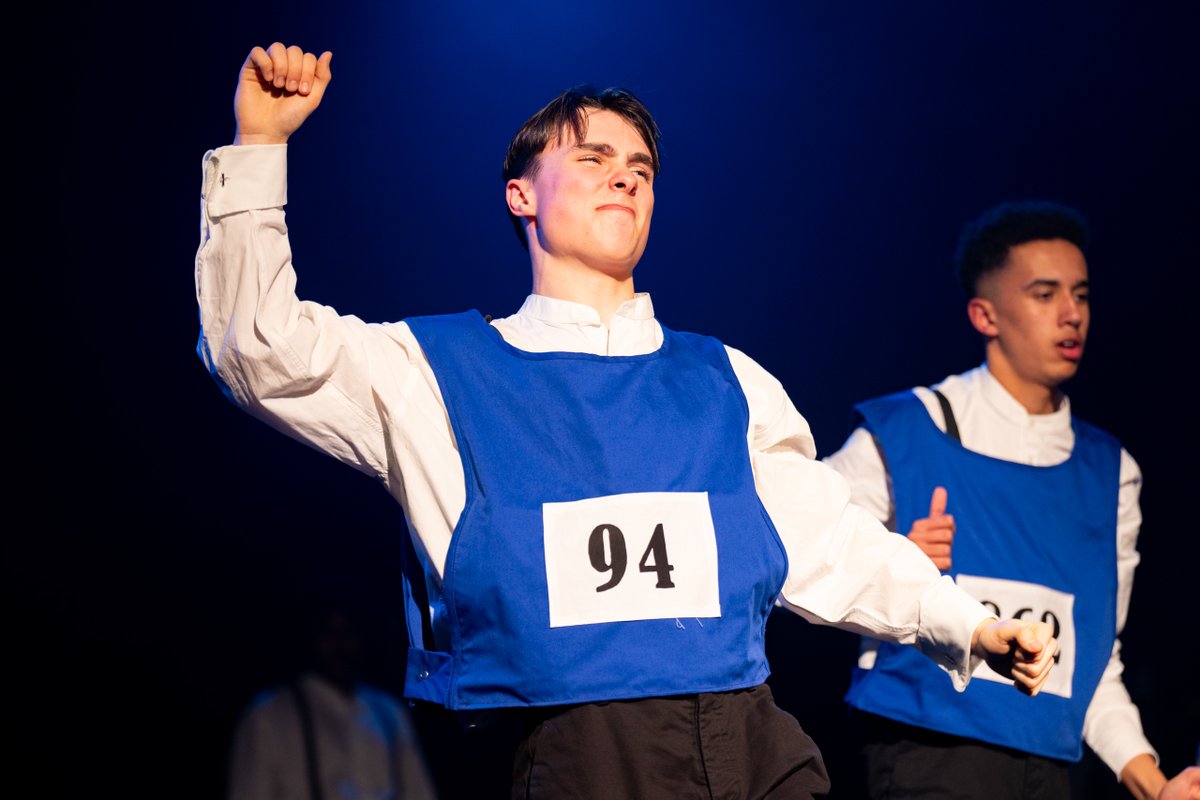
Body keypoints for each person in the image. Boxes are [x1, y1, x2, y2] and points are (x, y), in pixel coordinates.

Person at [196, 41, 1060, 799]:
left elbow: (828, 538)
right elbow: (259, 348)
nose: (626, 175)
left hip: (754, 740)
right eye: (594, 158)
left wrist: (968, 625)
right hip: (581, 752)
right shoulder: (437, 373)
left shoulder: (726, 379)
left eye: (641, 168)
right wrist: (260, 146)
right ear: (520, 197)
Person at [824, 201, 1200, 800]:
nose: (1072, 315)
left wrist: (1154, 785)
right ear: (985, 314)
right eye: (1045, 295)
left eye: (1081, 294)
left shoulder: (1112, 474)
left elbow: (1095, 663)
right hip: (928, 752)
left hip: (1048, 766)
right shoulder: (905, 431)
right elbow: (797, 556)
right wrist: (889, 559)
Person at [226, 606, 438, 800]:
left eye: (347, 633)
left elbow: (418, 790)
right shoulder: (269, 715)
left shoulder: (388, 711)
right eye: (329, 633)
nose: (340, 645)